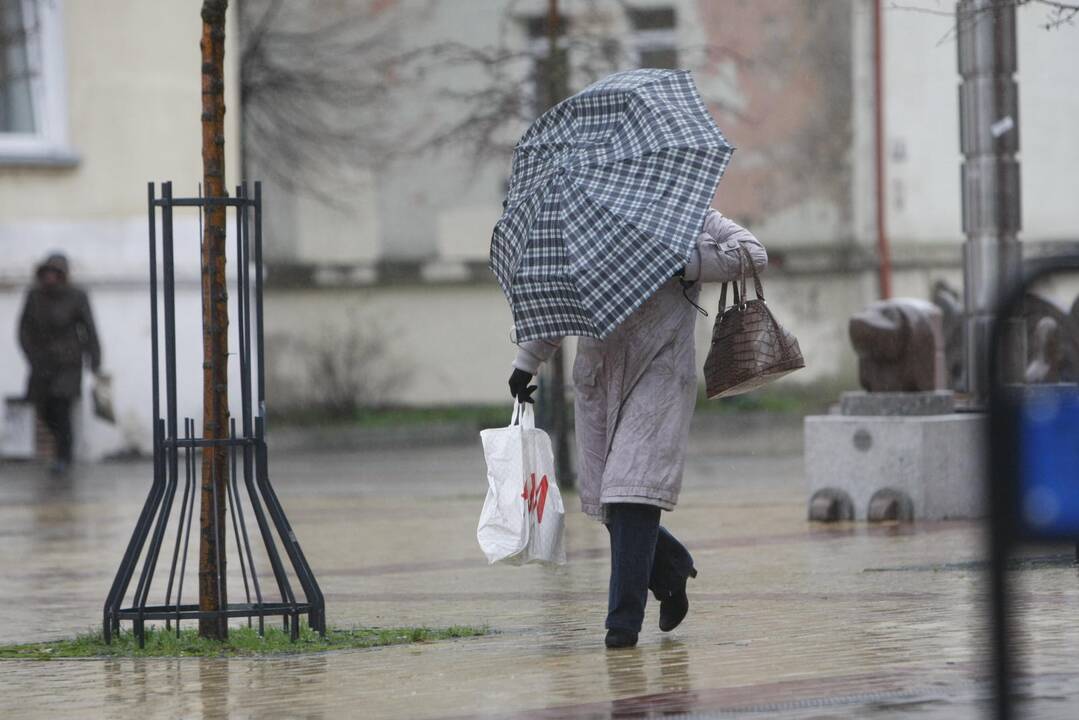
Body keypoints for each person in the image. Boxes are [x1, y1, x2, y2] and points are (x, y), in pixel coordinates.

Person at [508, 209, 768, 648]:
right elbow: (559, 297)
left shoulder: (691, 212)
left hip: (660, 374)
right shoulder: (584, 222)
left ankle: (622, 625)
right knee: (612, 501)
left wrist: (682, 259)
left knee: (632, 492)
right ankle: (670, 566)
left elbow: (752, 253)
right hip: (599, 379)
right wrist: (526, 363)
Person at [17, 253, 102, 474]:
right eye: (47, 273)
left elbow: (89, 328)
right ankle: (61, 451)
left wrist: (95, 359)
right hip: (42, 364)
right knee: (44, 407)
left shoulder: (77, 296)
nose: (50, 278)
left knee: (61, 405)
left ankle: (64, 456)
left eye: (55, 273)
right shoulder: (34, 296)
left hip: (68, 363)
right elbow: (24, 329)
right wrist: (32, 355)